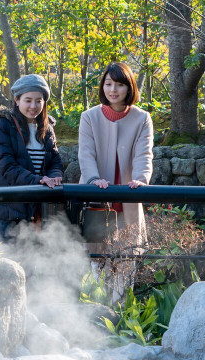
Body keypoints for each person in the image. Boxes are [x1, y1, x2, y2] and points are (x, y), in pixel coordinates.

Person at [78, 62, 154, 245]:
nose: (113, 89)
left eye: (120, 84)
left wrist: (140, 180)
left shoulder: (142, 118)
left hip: (128, 197)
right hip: (96, 199)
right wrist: (93, 180)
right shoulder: (89, 117)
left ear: (129, 88)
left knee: (127, 258)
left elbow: (144, 155)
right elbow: (86, 154)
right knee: (94, 257)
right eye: (108, 83)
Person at [0, 74, 64, 242]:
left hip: (37, 212)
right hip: (8, 211)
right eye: (28, 100)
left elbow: (55, 162)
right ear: (17, 100)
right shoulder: (3, 125)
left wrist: (54, 177)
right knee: (10, 265)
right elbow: (7, 167)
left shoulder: (46, 128)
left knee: (36, 265)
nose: (33, 106)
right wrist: (39, 181)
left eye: (39, 101)